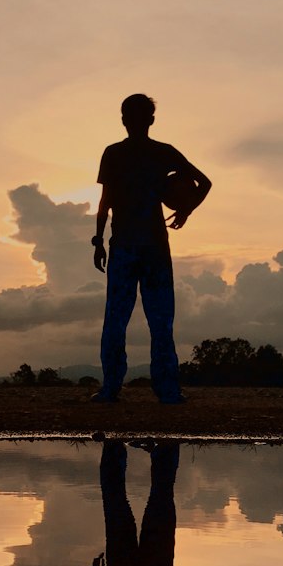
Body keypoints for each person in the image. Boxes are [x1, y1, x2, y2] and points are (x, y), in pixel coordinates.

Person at [91, 93, 211, 404]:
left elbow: (105, 201)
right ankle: (167, 391)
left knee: (117, 319)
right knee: (160, 321)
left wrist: (98, 240)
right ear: (151, 120)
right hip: (153, 246)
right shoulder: (163, 152)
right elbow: (205, 183)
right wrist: (187, 209)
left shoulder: (114, 153)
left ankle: (111, 389)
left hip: (127, 245)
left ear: (123, 119)